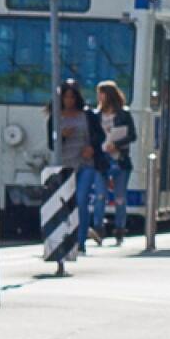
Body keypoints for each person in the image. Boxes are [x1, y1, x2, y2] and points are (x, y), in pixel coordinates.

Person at [53, 81, 104, 257]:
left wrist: (92, 148)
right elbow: (51, 143)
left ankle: (80, 242)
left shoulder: (87, 115)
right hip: (64, 165)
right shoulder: (55, 116)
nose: (69, 101)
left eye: (72, 97)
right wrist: (62, 136)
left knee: (81, 200)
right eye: (66, 97)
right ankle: (64, 238)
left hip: (85, 163)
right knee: (65, 204)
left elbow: (100, 135)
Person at [94, 80, 136, 246]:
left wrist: (117, 144)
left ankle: (119, 228)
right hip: (102, 161)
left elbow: (132, 135)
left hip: (120, 160)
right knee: (100, 196)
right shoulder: (96, 115)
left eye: (101, 93)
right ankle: (98, 228)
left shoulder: (124, 114)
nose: (99, 97)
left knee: (120, 197)